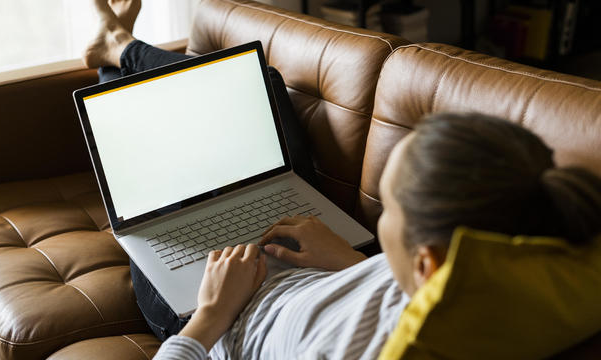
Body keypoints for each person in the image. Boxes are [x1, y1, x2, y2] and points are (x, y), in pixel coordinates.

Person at [83, 1, 601, 359]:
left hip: (221, 312)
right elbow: (408, 291)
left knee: (155, 188)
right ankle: (119, 47)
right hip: (309, 265)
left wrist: (211, 315)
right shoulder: (493, 267)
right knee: (263, 83)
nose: (378, 218)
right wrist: (354, 263)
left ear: (426, 261)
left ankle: (113, 53)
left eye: (389, 209)